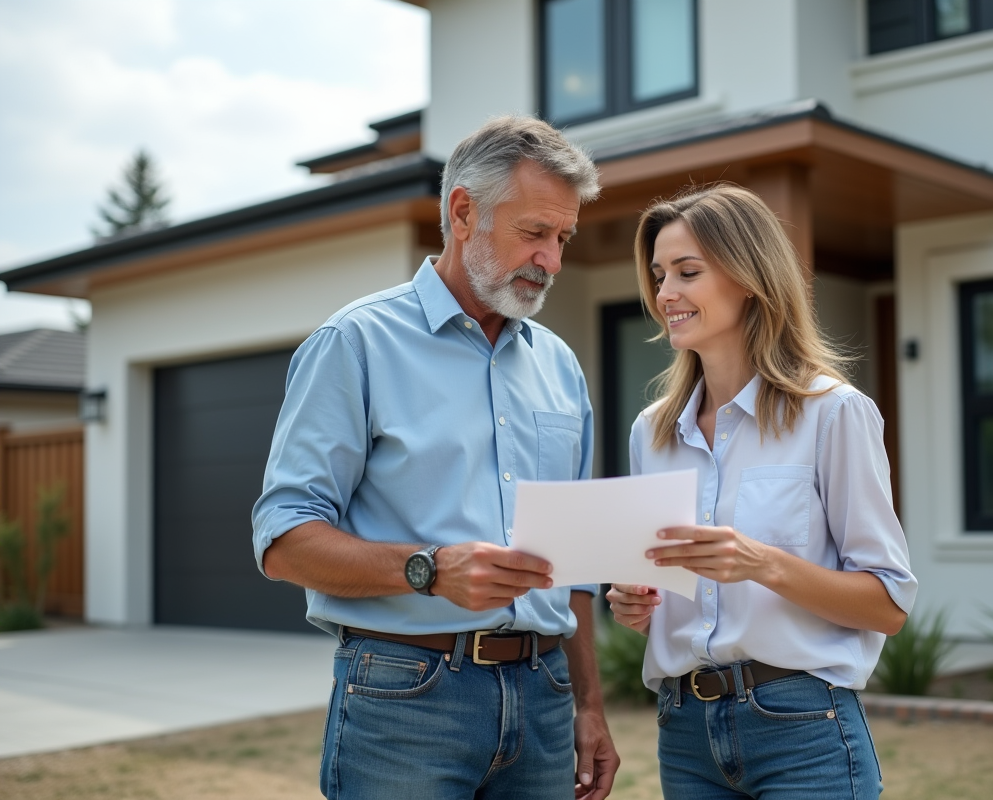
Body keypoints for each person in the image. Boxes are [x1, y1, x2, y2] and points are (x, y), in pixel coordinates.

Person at [252, 116, 618, 800]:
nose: (553, 260)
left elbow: (578, 566)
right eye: (535, 232)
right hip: (405, 700)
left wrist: (589, 704)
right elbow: (282, 540)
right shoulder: (355, 343)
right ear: (462, 212)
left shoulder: (561, 367)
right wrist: (428, 570)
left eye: (562, 238)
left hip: (544, 698)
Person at [607, 184, 917, 800]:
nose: (665, 294)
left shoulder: (833, 414)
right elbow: (671, 602)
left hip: (803, 729)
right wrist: (636, 606)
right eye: (659, 275)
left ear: (748, 277)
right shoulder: (653, 434)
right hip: (684, 732)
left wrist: (761, 563)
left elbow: (888, 604)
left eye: (687, 272)